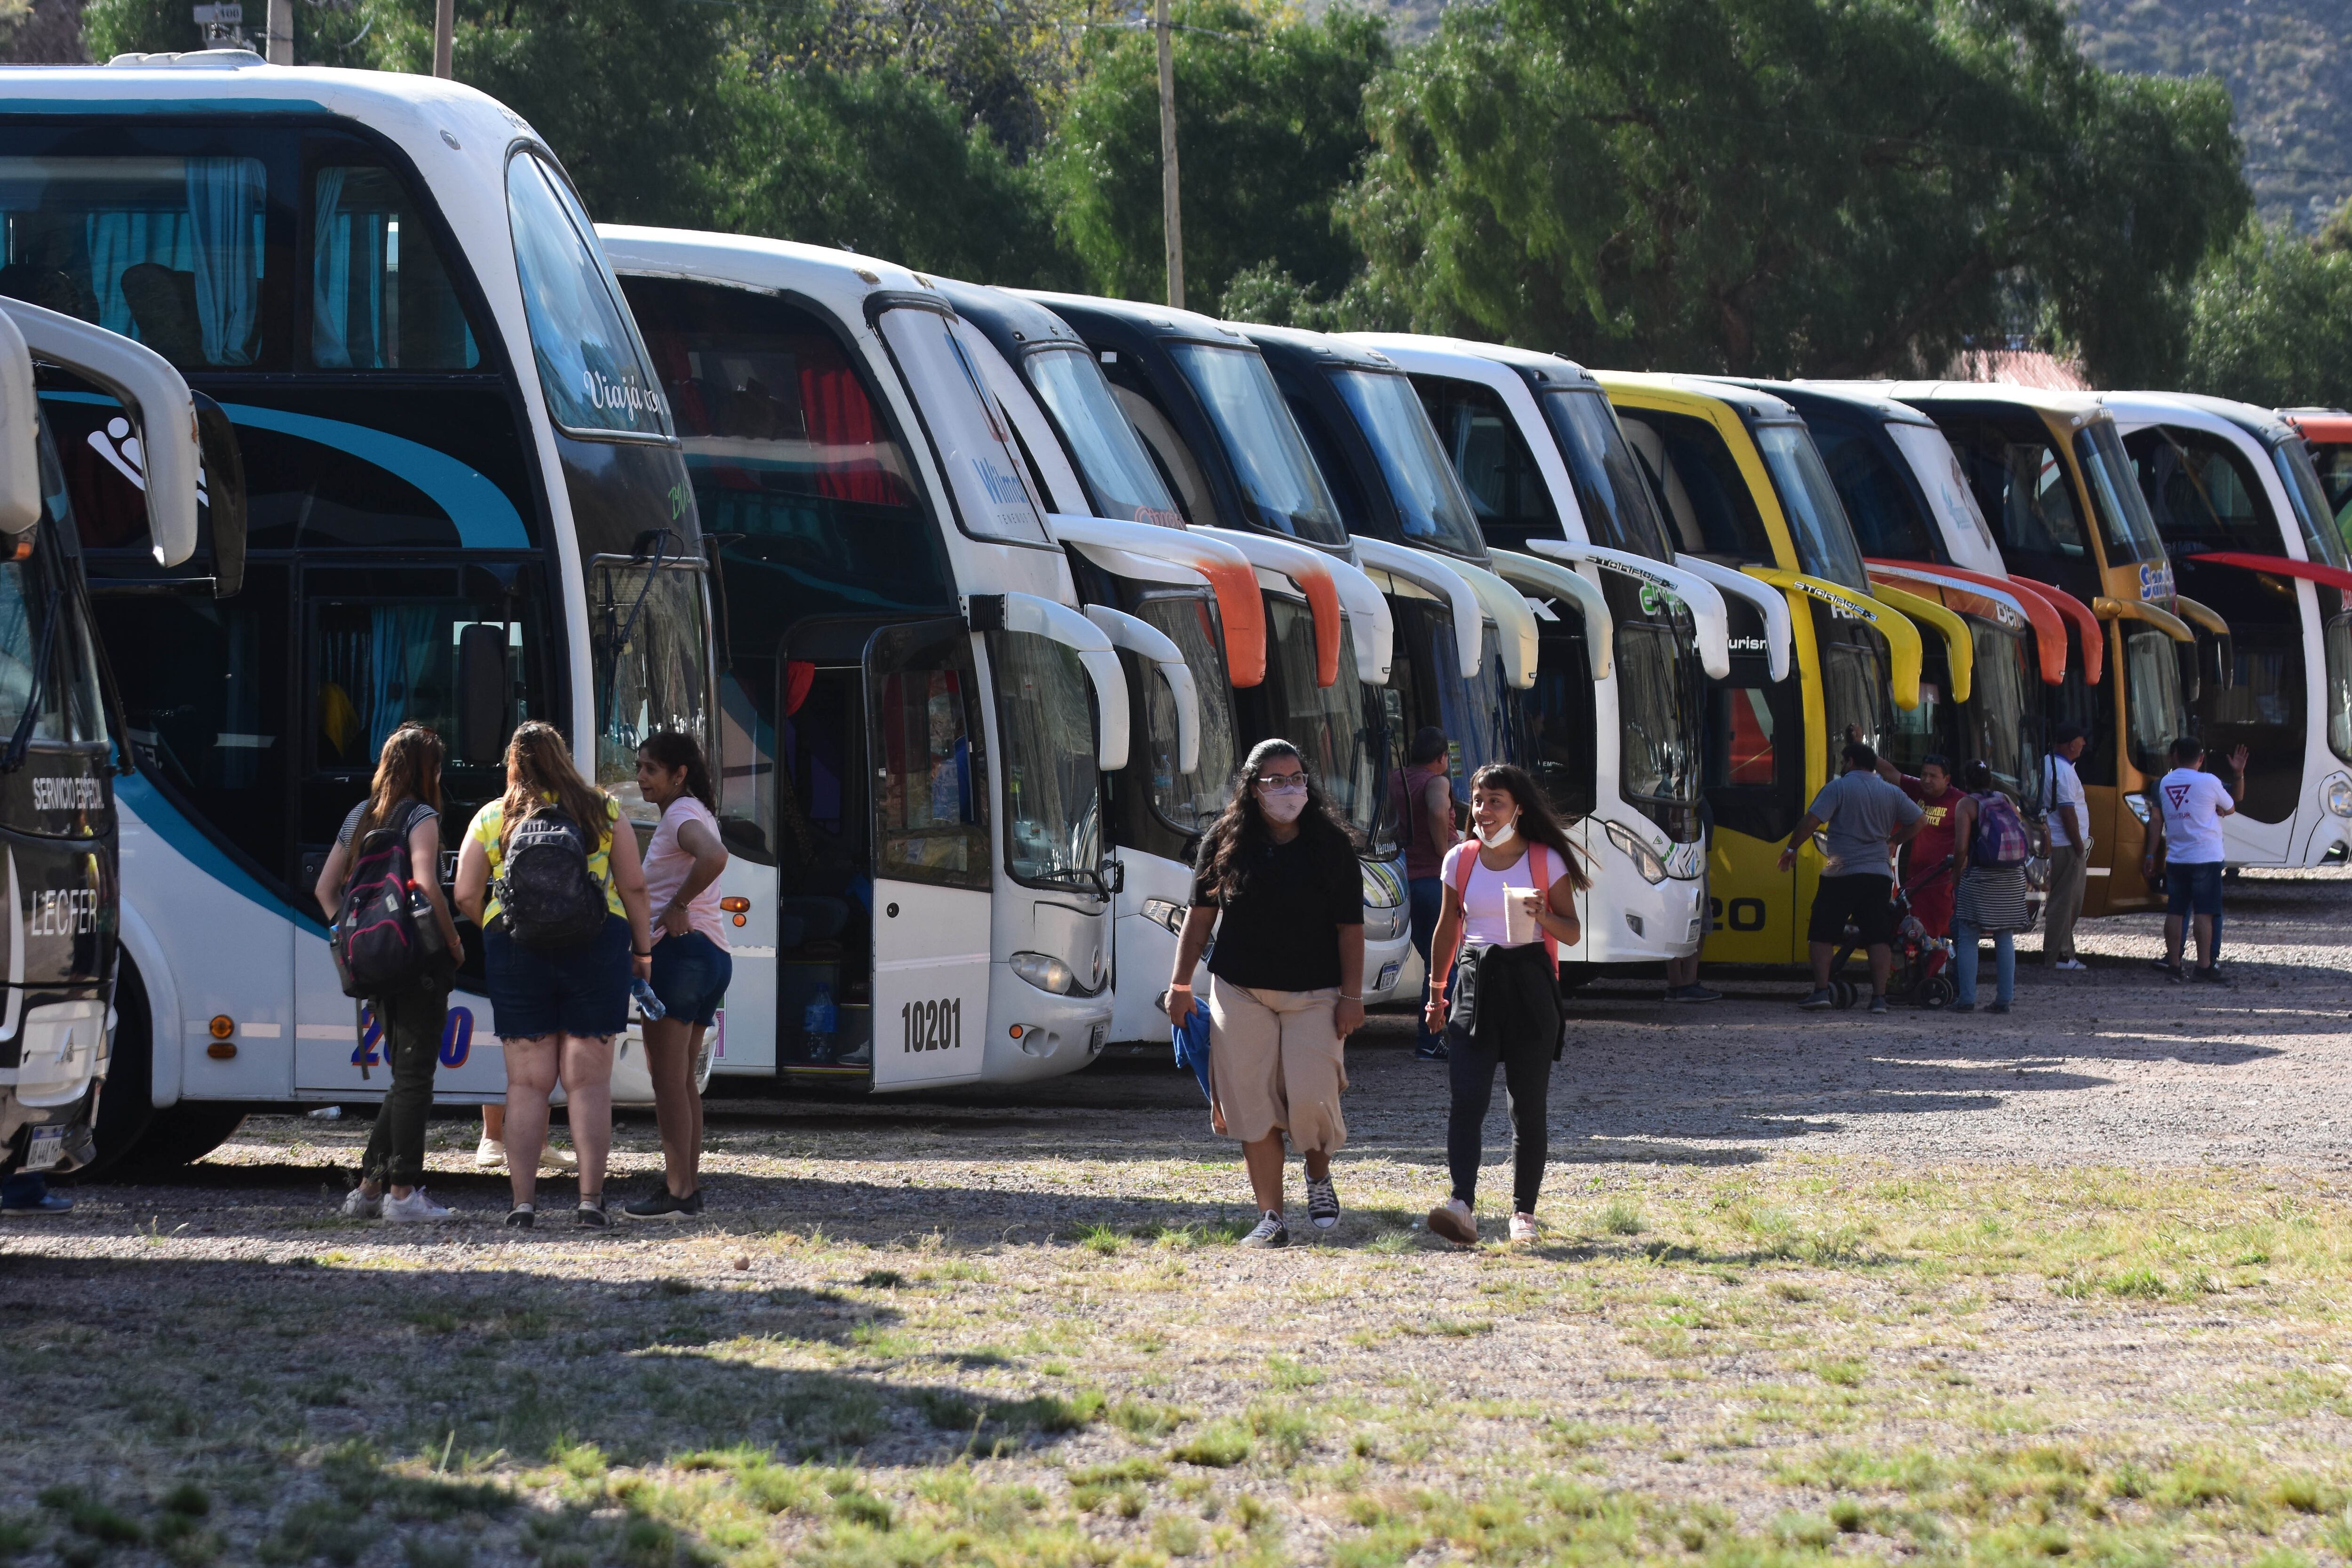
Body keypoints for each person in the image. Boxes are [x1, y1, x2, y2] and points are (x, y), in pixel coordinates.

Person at [454, 721, 656, 1229]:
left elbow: (463, 894)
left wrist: (497, 924)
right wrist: (643, 952)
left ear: (513, 765)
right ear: (564, 759)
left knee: (526, 1084)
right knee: (588, 1083)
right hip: (596, 948)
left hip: (517, 950)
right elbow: (633, 887)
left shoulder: (491, 817)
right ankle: (590, 1202)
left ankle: (523, 1206)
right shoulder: (603, 811)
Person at [1167, 740, 1366, 1249]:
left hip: (1316, 993)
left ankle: (1318, 1178)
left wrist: (1351, 996)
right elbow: (1199, 920)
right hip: (1240, 990)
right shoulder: (1224, 840)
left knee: (1310, 1096)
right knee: (1251, 1105)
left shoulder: (1330, 844)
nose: (1287, 789)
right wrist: (1180, 985)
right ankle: (1270, 1217)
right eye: (1275, 780)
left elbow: (1350, 928)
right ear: (1252, 789)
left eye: (1296, 778)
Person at [1422, 764, 1589, 1246]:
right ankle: (1461, 1205)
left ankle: (1523, 1215)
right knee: (1466, 1101)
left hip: (1529, 984)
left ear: (1518, 808)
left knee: (1527, 1108)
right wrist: (1436, 992)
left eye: (1494, 801)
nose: (1482, 811)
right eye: (1476, 801)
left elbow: (1572, 932)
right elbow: (1447, 928)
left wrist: (1543, 915)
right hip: (1475, 981)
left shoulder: (1545, 860)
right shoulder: (1460, 859)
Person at [313, 723, 466, 1222]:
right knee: (416, 1076)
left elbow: (325, 890)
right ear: (429, 770)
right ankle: (403, 1194)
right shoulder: (420, 814)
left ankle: (369, 1190)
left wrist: (360, 937)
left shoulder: (360, 815)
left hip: (372, 961)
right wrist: (452, 941)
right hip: (415, 963)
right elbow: (425, 884)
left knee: (403, 1077)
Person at [623, 732, 731, 1220]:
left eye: (651, 769)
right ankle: (686, 1186)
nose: (641, 778)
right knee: (683, 1080)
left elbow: (714, 857)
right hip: (712, 957)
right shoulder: (695, 810)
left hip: (681, 957)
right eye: (640, 767)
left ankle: (679, 1193)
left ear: (679, 774)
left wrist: (677, 906)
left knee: (667, 1082)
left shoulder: (681, 816)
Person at [1780, 740, 1921, 1014]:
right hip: (1878, 875)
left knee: (1821, 933)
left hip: (1841, 873)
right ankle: (1879, 998)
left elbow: (1811, 821)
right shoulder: (1891, 792)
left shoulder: (1839, 787)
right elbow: (1919, 821)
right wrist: (1894, 841)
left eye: (1844, 762)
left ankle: (1821, 991)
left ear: (1851, 762)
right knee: (1878, 936)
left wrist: (1791, 847)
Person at [2145, 735, 2246, 984]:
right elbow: (2232, 807)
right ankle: (2203, 967)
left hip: (2177, 858)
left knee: (2176, 911)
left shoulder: (2164, 783)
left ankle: (2174, 965)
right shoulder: (2209, 781)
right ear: (2201, 759)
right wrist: (2218, 807)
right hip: (2206, 857)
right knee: (2205, 913)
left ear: (2175, 756)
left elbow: (2161, 817)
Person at [1390, 726, 1458, 1059]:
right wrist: (1445, 851)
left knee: (1435, 964)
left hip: (1402, 882)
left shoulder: (1393, 779)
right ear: (1442, 757)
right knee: (1445, 964)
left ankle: (1432, 1037)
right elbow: (1436, 809)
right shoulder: (1437, 782)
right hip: (1432, 881)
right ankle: (1431, 1039)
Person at [1947, 761, 2030, 1013]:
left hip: (1982, 876)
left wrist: (1956, 873)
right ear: (1990, 780)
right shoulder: (2004, 799)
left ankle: (1967, 999)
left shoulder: (1966, 805)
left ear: (1967, 782)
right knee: (2005, 936)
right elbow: (2021, 827)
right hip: (2012, 874)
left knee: (1968, 934)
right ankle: (2004, 999)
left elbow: (1961, 846)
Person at [1870, 748, 1960, 939]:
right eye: (1924, 775)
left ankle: (1939, 967)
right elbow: (1890, 773)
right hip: (1915, 879)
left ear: (1947, 779)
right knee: (1911, 933)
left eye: (1933, 776)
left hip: (1941, 881)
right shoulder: (1918, 788)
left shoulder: (1961, 802)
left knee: (1936, 936)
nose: (1926, 780)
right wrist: (1860, 747)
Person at [2041, 725, 2092, 971]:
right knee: (2066, 901)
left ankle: (2065, 952)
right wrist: (2079, 846)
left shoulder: (2051, 764)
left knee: (2067, 901)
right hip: (2067, 845)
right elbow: (2067, 809)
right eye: (2082, 741)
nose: (2084, 745)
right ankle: (2058, 956)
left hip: (2061, 843)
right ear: (2071, 743)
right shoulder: (2061, 770)